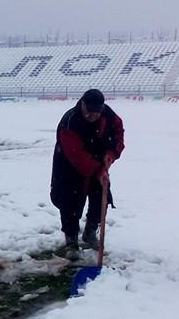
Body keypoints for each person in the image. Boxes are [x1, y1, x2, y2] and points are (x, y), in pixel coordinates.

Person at [51, 88, 125, 261]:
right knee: (70, 204)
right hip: (69, 167)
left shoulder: (108, 114)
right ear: (82, 104)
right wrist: (98, 171)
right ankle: (71, 241)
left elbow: (118, 133)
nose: (92, 115)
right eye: (89, 111)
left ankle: (90, 233)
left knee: (101, 200)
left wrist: (112, 153)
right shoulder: (70, 122)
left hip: (98, 162)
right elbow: (77, 155)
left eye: (96, 112)